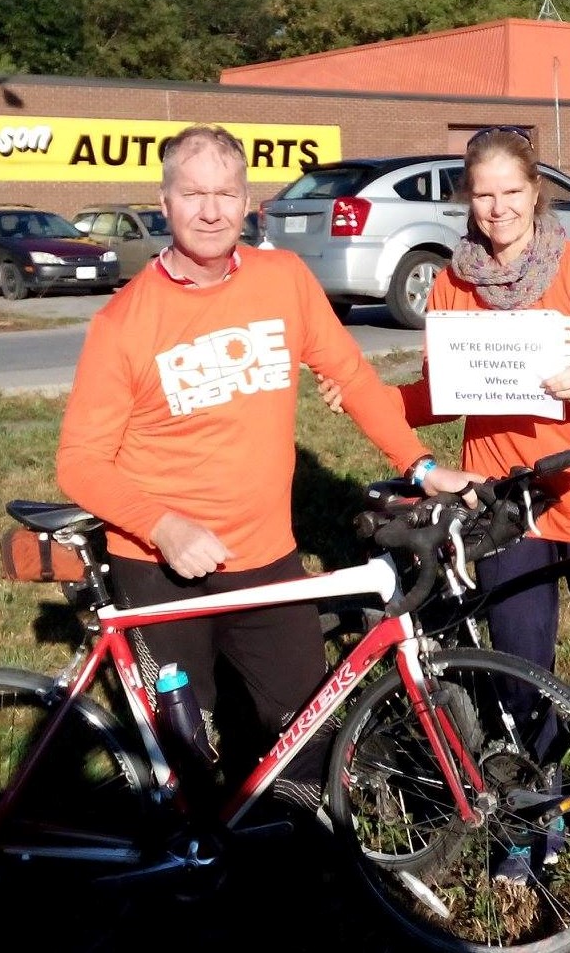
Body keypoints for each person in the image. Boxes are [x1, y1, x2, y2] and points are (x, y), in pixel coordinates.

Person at [56, 124, 479, 812]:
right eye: (193, 193)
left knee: (302, 728)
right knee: (185, 755)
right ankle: (196, 878)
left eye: (225, 193)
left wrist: (421, 463)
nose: (210, 209)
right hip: (162, 567)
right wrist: (162, 526)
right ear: (165, 202)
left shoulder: (282, 280)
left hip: (268, 555)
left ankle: (292, 859)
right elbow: (78, 462)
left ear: (247, 201)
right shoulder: (125, 323)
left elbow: (351, 374)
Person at [317, 126, 570, 897]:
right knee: (521, 675)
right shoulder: (454, 284)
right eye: (484, 194)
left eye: (512, 192)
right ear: (466, 199)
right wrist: (370, 397)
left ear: (535, 192)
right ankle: (533, 815)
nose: (498, 207)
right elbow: (448, 391)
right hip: (504, 502)